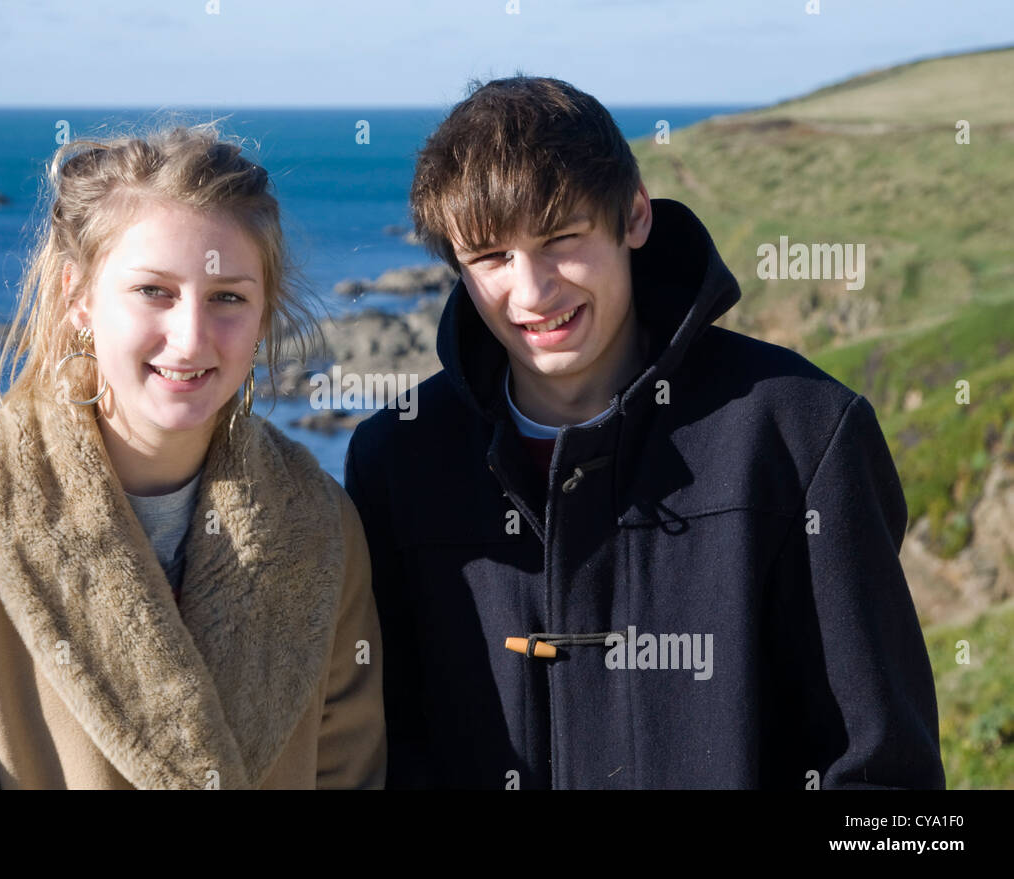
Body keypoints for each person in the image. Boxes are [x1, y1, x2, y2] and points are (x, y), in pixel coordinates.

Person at [344, 76, 944, 789]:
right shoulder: (395, 459)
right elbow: (370, 757)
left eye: (562, 238)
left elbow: (888, 788)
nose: (532, 292)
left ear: (633, 216)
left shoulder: (803, 432)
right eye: (491, 258)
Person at [0, 123, 385, 789]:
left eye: (228, 296)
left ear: (264, 314)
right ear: (79, 297)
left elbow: (351, 774)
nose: (191, 336)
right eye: (154, 291)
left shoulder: (318, 525)